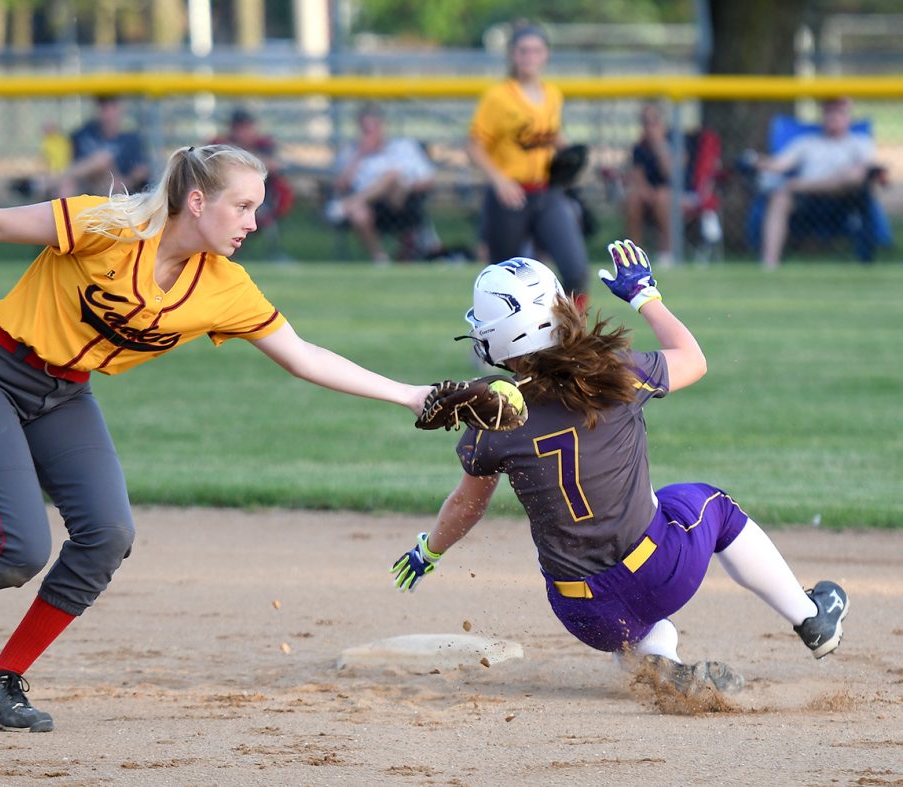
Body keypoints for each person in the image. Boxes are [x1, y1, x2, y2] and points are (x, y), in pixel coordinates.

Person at [0, 144, 434, 732]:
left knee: (108, 536)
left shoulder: (224, 286)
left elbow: (303, 357)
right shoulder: (109, 225)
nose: (254, 222)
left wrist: (411, 394)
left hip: (65, 395)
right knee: (19, 549)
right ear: (196, 201)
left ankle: (0, 681)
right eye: (243, 206)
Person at [390, 240, 849, 695]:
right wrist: (645, 296)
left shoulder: (491, 421)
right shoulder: (612, 373)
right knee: (708, 504)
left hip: (583, 615)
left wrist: (428, 552)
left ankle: (661, 661)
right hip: (660, 574)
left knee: (645, 614)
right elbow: (694, 361)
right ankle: (810, 617)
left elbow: (466, 506)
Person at [466, 23, 590, 308]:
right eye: (523, 50)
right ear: (512, 54)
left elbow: (550, 133)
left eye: (536, 50)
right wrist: (499, 180)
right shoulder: (498, 97)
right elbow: (474, 145)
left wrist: (570, 152)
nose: (529, 57)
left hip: (547, 192)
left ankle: (572, 332)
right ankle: (498, 332)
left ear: (546, 54)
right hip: (511, 196)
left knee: (576, 271)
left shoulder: (552, 95)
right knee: (502, 280)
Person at [747, 96, 878, 269]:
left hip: (844, 199)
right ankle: (770, 264)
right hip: (807, 201)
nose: (833, 117)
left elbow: (864, 171)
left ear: (849, 117)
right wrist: (755, 160)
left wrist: (799, 184)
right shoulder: (807, 142)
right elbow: (779, 164)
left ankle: (865, 261)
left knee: (855, 176)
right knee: (780, 198)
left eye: (839, 112)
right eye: (828, 112)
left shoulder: (859, 143)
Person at [326, 104, 439, 264]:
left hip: (402, 202)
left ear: (382, 127)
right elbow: (340, 186)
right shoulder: (351, 151)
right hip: (373, 207)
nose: (368, 134)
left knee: (392, 176)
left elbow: (428, 178)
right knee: (358, 213)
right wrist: (360, 155)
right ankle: (380, 258)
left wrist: (410, 187)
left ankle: (346, 205)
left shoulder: (404, 147)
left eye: (372, 129)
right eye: (364, 130)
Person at [623, 103, 722, 267]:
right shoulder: (641, 148)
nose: (649, 127)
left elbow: (673, 174)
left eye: (653, 121)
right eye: (645, 122)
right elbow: (638, 179)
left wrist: (659, 145)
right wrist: (646, 192)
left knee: (663, 197)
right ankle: (634, 259)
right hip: (653, 196)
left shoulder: (677, 140)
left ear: (662, 122)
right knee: (633, 197)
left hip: (685, 195)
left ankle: (667, 254)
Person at [209, 108, 295, 253]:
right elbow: (209, 165)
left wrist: (239, 155)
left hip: (260, 200)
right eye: (239, 127)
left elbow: (273, 165)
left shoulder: (263, 143)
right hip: (226, 196)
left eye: (246, 127)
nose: (243, 132)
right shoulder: (220, 143)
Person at [55, 95, 151, 197]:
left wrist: (124, 182)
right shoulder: (84, 134)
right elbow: (73, 163)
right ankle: (57, 182)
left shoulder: (131, 139)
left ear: (120, 109)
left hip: (118, 189)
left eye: (112, 106)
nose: (108, 113)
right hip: (87, 186)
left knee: (103, 161)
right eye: (103, 107)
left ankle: (53, 180)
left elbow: (142, 170)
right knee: (66, 186)